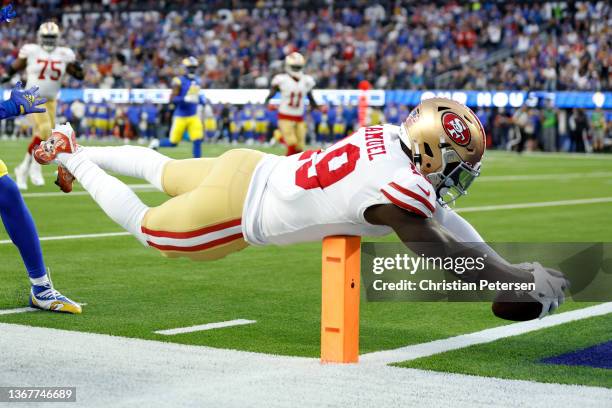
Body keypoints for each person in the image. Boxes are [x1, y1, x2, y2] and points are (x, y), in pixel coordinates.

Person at [35, 98, 567, 320]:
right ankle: (75, 156)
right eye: (456, 164)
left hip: (251, 166)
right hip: (241, 209)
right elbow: (444, 254)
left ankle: (72, 139)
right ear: (432, 147)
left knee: (163, 170)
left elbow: (444, 223)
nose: (456, 177)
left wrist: (514, 273)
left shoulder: (388, 138)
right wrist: (512, 282)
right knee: (150, 230)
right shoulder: (399, 193)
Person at [0, 15, 81, 315]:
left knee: (7, 194)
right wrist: (8, 108)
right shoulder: (31, 53)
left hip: (48, 98)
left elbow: (75, 70)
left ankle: (41, 287)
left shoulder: (60, 54)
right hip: (34, 98)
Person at [1, 21, 84, 190]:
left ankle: (24, 168)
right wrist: (5, 77)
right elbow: (15, 67)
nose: (49, 40)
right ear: (40, 37)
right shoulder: (31, 50)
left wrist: (77, 67)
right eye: (46, 37)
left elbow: (79, 76)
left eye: (52, 37)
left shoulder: (64, 53)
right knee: (46, 129)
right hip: (32, 97)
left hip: (52, 99)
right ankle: (33, 167)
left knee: (46, 134)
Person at [148, 57, 206, 158]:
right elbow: (172, 99)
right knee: (173, 142)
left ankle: (197, 163)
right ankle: (156, 142)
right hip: (181, 115)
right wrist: (184, 99)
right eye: (190, 67)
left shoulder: (197, 80)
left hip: (193, 115)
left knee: (198, 139)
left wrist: (202, 100)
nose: (192, 70)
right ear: (185, 68)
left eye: (194, 68)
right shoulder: (178, 81)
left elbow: (197, 96)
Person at [264, 52, 318, 155]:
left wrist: (315, 106)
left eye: (298, 66)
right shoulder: (281, 79)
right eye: (294, 66)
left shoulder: (306, 80)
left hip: (299, 116)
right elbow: (273, 92)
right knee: (292, 144)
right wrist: (267, 101)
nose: (296, 68)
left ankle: (278, 135)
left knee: (300, 147)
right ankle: (287, 164)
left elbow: (310, 96)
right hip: (285, 115)